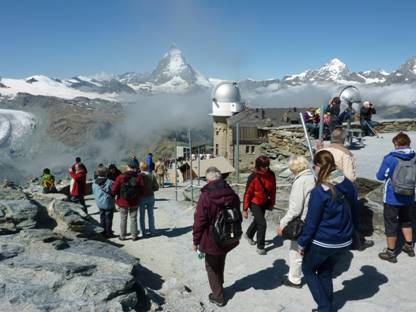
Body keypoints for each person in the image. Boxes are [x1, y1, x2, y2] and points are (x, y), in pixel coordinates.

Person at [298, 150, 359, 312]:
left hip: (324, 241)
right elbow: (355, 208)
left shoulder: (319, 191)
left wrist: (302, 243)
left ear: (318, 167)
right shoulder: (346, 183)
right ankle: (328, 305)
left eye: (314, 166)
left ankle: (325, 308)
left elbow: (311, 222)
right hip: (344, 240)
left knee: (308, 270)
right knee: (325, 271)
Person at [192, 166, 240, 307]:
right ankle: (220, 285)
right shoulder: (232, 193)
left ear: (208, 179)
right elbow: (237, 216)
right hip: (227, 235)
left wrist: (195, 240)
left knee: (211, 266)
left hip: (211, 237)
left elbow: (199, 221)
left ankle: (218, 296)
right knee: (220, 260)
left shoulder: (206, 196)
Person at [376, 132, 415, 263]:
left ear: (396, 144)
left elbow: (380, 176)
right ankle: (409, 246)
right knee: (407, 221)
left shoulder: (390, 158)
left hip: (392, 197)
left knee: (391, 224)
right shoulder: (414, 157)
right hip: (409, 196)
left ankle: (391, 252)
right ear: (408, 143)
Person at [277, 156, 315, 288]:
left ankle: (294, 279)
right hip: (312, 219)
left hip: (301, 221)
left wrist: (283, 223)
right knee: (308, 249)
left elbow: (295, 208)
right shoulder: (312, 178)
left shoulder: (301, 181)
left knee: (296, 251)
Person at [243, 155, 276, 255]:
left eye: (267, 166)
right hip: (255, 202)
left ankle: (248, 235)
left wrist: (271, 203)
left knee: (257, 221)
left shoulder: (271, 174)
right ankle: (260, 246)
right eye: (263, 166)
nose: (266, 168)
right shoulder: (253, 177)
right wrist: (245, 209)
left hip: (264, 202)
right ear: (258, 166)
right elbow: (247, 193)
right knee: (262, 223)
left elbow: (273, 190)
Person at [111, 159, 144, 241]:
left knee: (123, 218)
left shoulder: (121, 177)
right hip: (134, 201)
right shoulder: (138, 177)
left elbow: (113, 190)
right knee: (133, 218)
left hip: (122, 201)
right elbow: (142, 189)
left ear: (128, 167)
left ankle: (122, 236)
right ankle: (134, 236)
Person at [92, 165, 115, 238]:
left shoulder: (94, 183)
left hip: (99, 203)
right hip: (108, 202)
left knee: (102, 217)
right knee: (109, 218)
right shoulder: (110, 182)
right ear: (106, 173)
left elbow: (94, 192)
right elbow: (113, 191)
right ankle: (109, 233)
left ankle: (103, 232)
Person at [138, 161, 159, 237]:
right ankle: (152, 231)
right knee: (151, 215)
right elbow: (156, 187)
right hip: (150, 196)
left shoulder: (138, 176)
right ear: (147, 167)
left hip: (141, 197)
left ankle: (142, 232)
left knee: (141, 215)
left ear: (140, 168)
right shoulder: (151, 175)